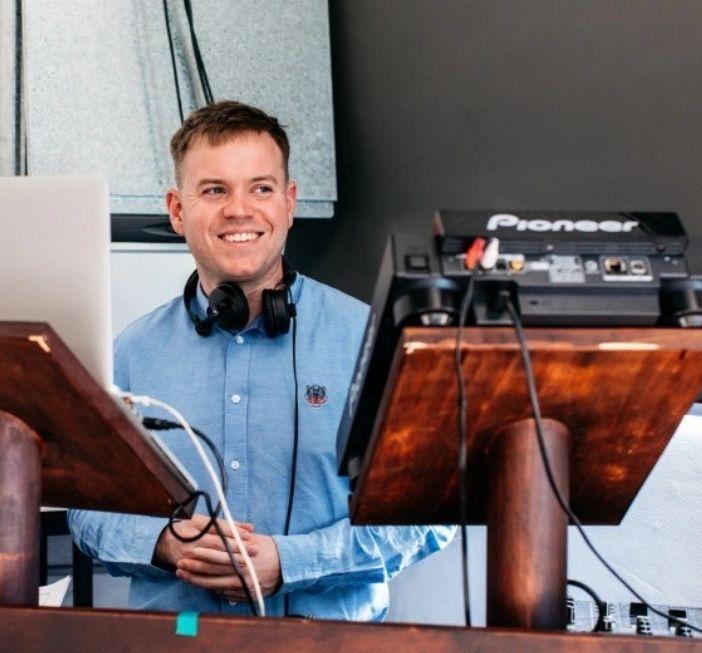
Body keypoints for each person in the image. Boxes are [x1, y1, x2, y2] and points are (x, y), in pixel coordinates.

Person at [68, 100, 453, 621]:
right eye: (214, 190)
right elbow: (87, 511)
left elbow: (430, 514)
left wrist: (291, 562)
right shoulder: (130, 354)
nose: (239, 209)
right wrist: (162, 542)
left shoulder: (369, 338)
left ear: (288, 203)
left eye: (261, 188)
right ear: (178, 211)